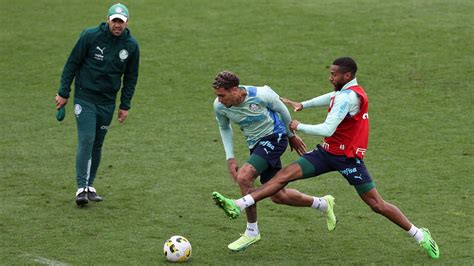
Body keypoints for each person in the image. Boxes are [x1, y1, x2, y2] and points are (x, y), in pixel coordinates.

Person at [212, 58, 440, 259]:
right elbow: (330, 97)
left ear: (347, 75)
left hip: (348, 158)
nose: (330, 77)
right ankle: (241, 204)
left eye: (334, 74)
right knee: (282, 177)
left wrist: (297, 126)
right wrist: (304, 104)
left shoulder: (347, 99)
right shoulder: (347, 92)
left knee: (376, 205)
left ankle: (419, 234)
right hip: (326, 153)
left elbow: (328, 129)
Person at [211, 71, 337, 252]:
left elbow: (283, 111)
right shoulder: (220, 106)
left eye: (222, 95)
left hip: (275, 138)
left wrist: (291, 135)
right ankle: (323, 203)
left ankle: (251, 231)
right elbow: (224, 127)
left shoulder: (262, 94)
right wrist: (230, 157)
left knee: (244, 177)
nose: (219, 100)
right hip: (256, 145)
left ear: (235, 90)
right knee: (279, 196)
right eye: (217, 96)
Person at [55, 3, 140, 206]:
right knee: (87, 138)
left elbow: (131, 77)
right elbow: (72, 63)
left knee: (98, 143)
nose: (117, 25)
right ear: (108, 20)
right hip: (85, 98)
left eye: (121, 21)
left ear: (127, 22)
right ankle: (80, 188)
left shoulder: (131, 46)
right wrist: (63, 92)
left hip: (107, 102)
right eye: (114, 21)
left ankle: (90, 186)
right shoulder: (90, 36)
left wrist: (125, 105)